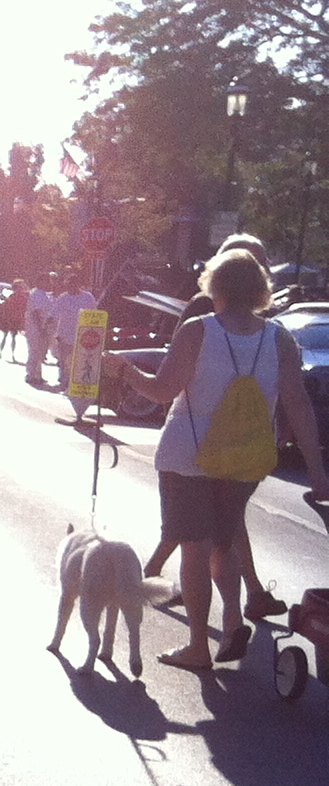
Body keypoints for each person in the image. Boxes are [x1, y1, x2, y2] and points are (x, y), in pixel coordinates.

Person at [111, 250, 325, 668]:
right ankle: (231, 622)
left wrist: (125, 372)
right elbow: (298, 406)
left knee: (194, 550)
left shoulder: (198, 330)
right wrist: (316, 471)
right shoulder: (279, 338)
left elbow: (162, 391)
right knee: (223, 545)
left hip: (188, 457)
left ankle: (197, 646)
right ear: (260, 290)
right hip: (245, 460)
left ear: (216, 287)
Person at [23, 272, 57, 387]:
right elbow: (36, 312)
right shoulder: (37, 293)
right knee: (34, 352)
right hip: (36, 329)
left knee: (40, 353)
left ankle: (37, 375)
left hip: (43, 328)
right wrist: (40, 327)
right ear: (41, 281)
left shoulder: (43, 294)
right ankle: (31, 375)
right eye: (47, 280)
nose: (49, 283)